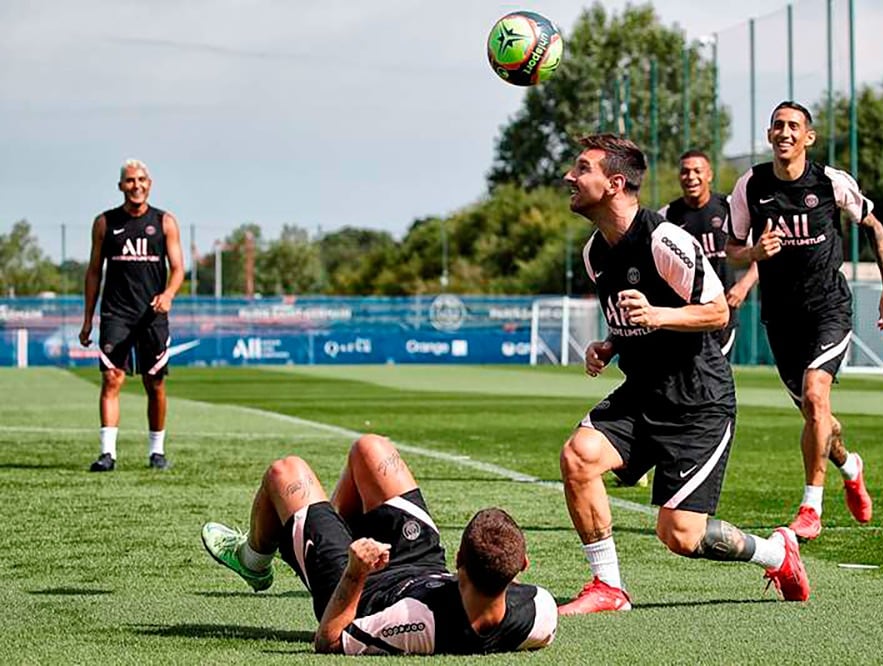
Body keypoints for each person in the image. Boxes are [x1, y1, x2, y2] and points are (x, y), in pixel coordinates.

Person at [557, 133, 809, 617]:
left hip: (699, 400)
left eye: (581, 169)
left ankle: (778, 554)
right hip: (643, 390)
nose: (570, 177)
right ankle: (608, 586)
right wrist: (609, 345)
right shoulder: (596, 254)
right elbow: (630, 317)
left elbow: (716, 313)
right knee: (578, 456)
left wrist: (657, 316)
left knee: (680, 535)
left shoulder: (664, 238)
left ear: (613, 183)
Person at [201, 434, 557, 655]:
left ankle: (252, 559)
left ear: (460, 557)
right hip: (425, 565)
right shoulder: (540, 611)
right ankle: (328, 527)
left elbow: (329, 639)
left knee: (286, 471)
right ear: (521, 565)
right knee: (370, 448)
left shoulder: (418, 621)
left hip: (362, 585)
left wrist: (356, 571)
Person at [725, 101, 883, 541]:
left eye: (794, 127)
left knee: (815, 395)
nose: (785, 133)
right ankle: (850, 464)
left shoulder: (829, 182)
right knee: (816, 413)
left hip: (829, 310)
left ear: (808, 137)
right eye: (777, 126)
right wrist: (754, 254)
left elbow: (875, 227)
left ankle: (811, 507)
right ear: (769, 135)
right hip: (781, 319)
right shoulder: (751, 185)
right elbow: (731, 250)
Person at [79, 159, 184, 472]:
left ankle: (157, 451)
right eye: (129, 181)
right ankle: (107, 454)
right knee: (112, 379)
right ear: (121, 186)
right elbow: (94, 271)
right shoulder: (104, 223)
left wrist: (168, 295)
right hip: (116, 314)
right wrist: (87, 319)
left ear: (149, 183)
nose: (136, 185)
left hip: (152, 315)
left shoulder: (164, 222)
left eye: (141, 179)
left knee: (155, 383)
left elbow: (178, 268)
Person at [658, 149, 758, 359]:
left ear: (709, 175)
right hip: (684, 314)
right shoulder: (667, 216)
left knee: (711, 374)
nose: (691, 177)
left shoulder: (729, 207)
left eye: (697, 171)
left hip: (720, 312)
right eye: (685, 172)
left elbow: (761, 253)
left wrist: (743, 286)